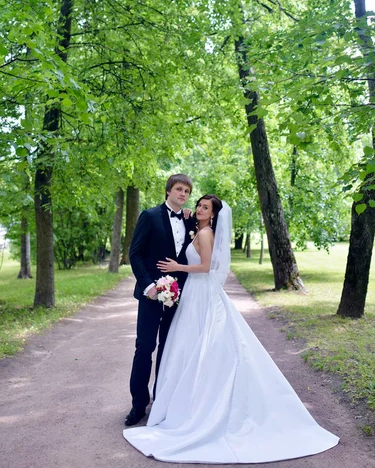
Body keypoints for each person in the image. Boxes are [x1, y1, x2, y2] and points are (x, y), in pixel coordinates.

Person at [123, 194, 340, 463]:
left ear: (214, 214)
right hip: (188, 295)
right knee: (179, 348)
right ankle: (167, 402)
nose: (198, 207)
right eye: (198, 204)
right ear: (171, 192)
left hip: (199, 293)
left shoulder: (205, 233)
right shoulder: (194, 227)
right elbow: (144, 250)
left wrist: (178, 267)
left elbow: (205, 267)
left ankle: (192, 406)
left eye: (205, 207)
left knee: (196, 348)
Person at [124, 173, 194, 427]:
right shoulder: (149, 216)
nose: (183, 194)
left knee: (169, 348)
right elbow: (135, 254)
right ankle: (138, 405)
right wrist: (149, 286)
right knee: (145, 348)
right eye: (178, 189)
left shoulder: (190, 221)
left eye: (187, 191)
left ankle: (161, 401)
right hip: (152, 294)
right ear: (168, 191)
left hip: (179, 297)